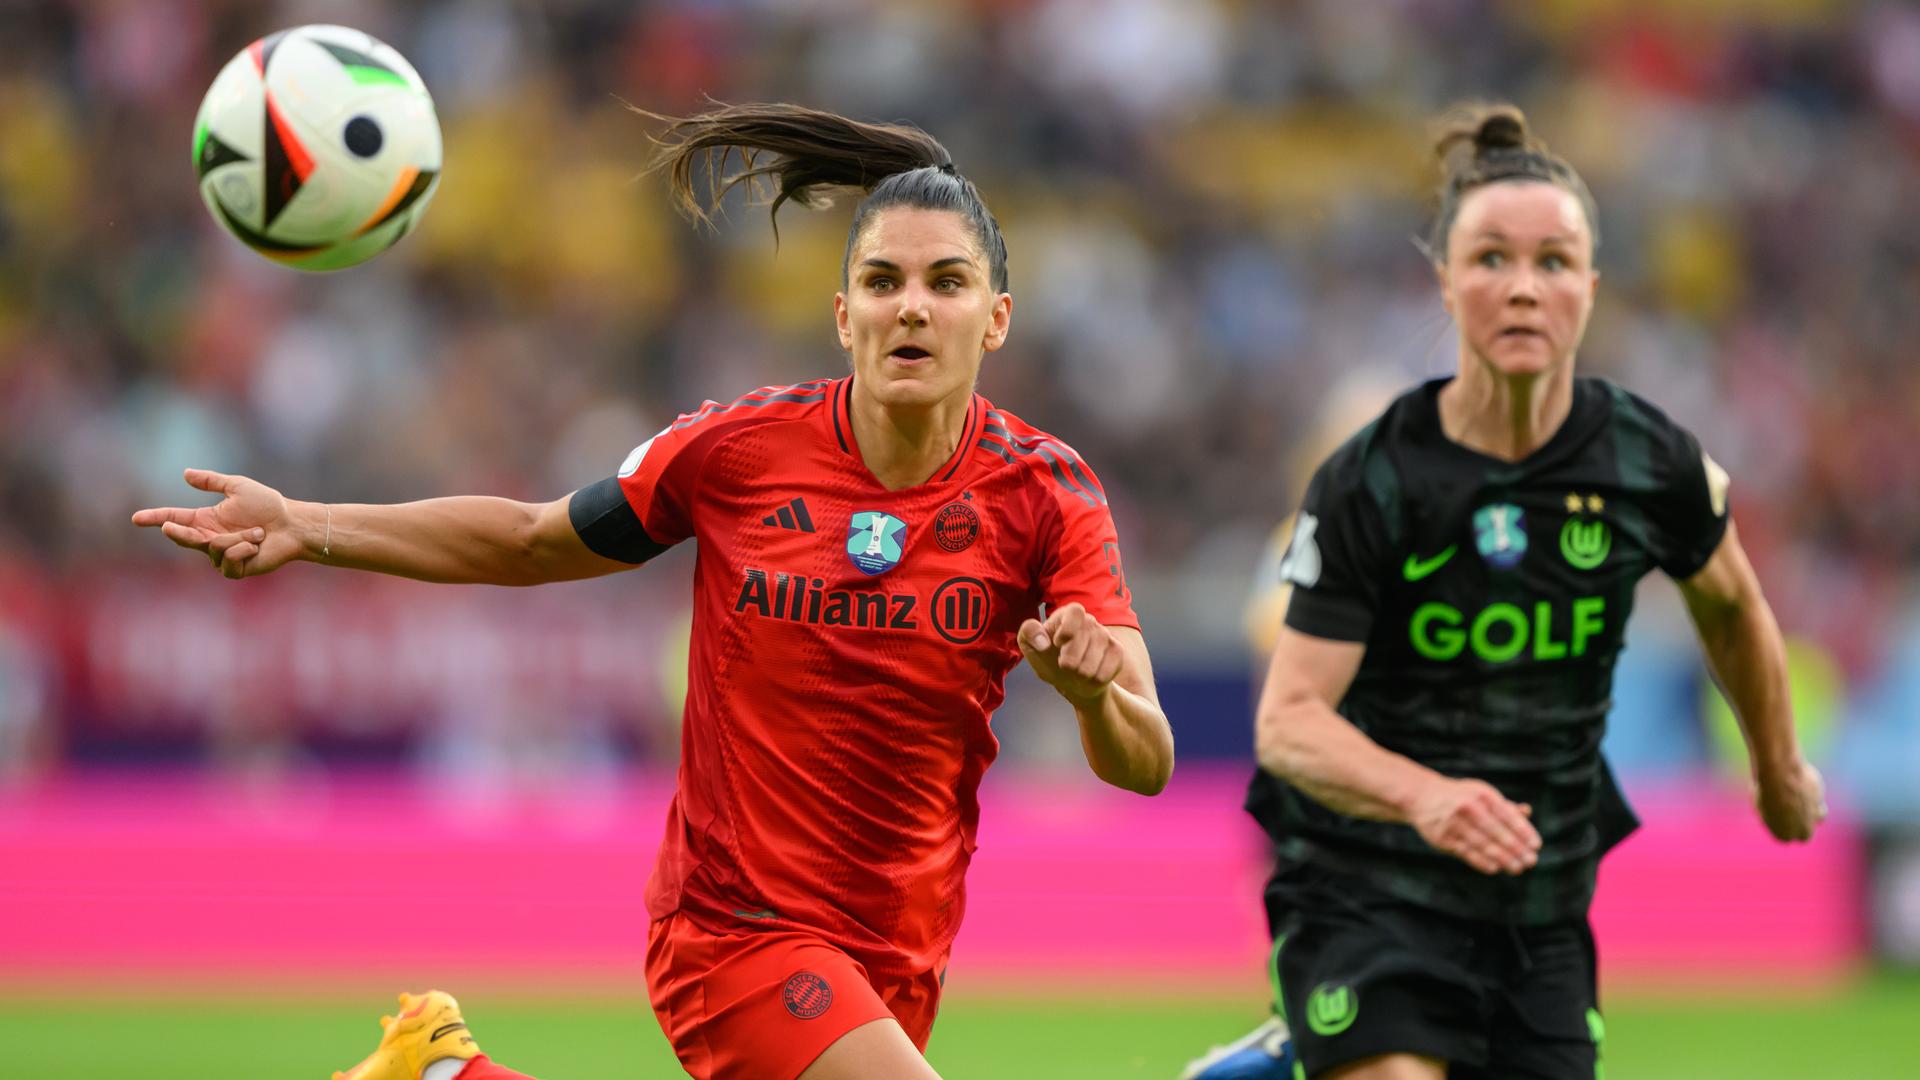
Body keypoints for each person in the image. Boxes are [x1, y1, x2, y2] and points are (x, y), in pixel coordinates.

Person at [132, 102, 1175, 1080]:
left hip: (897, 951)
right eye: (884, 280)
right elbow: (534, 540)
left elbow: (1147, 760)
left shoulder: (1046, 494)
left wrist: (1091, 695)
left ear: (993, 319)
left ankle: (447, 1071)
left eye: (946, 283)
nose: (913, 306)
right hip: (732, 931)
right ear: (841, 310)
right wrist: (307, 526)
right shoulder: (738, 453)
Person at [1218, 103, 1827, 1080]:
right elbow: (1289, 721)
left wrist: (1777, 765)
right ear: (1446, 286)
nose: (1522, 288)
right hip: (1366, 880)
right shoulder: (1371, 478)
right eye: (1491, 259)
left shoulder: (1651, 461)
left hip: (1537, 905)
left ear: (1590, 287)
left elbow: (1733, 605)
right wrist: (1425, 797)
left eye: (1553, 262)